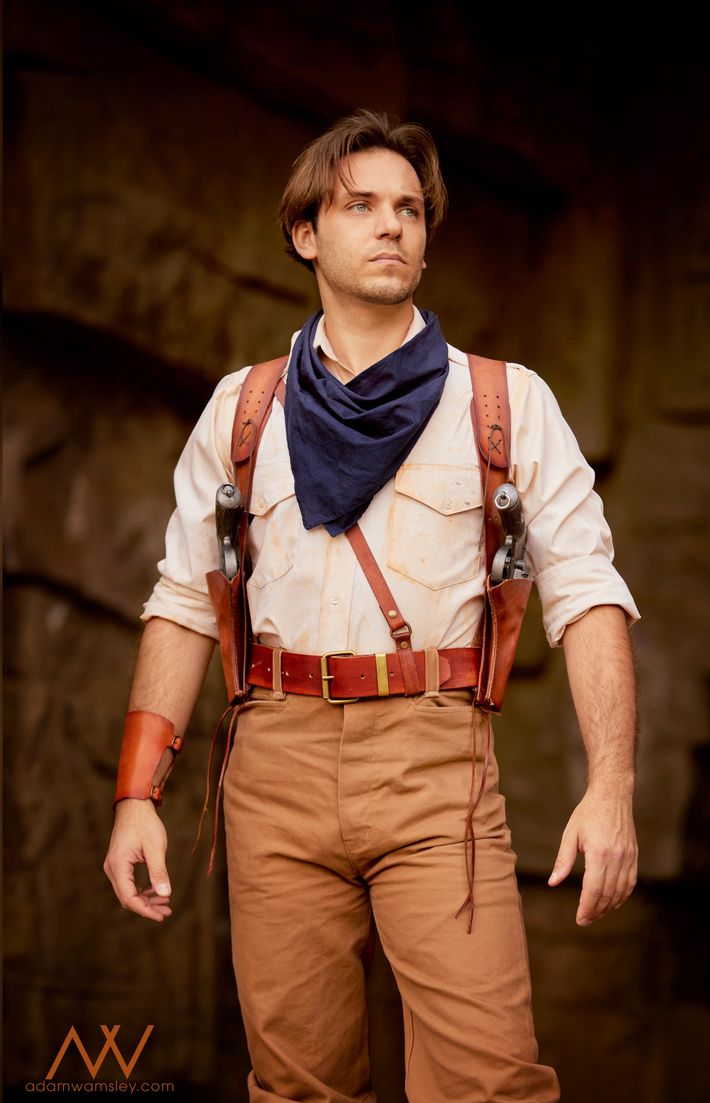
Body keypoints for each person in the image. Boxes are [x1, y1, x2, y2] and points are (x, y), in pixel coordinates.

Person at [104, 108, 640, 1102]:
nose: (392, 225)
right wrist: (137, 794)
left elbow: (589, 593)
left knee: (490, 1086)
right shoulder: (241, 410)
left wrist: (610, 786)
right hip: (272, 761)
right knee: (297, 1086)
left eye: (409, 209)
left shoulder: (504, 401)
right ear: (306, 232)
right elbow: (183, 601)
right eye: (360, 206)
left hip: (435, 764)